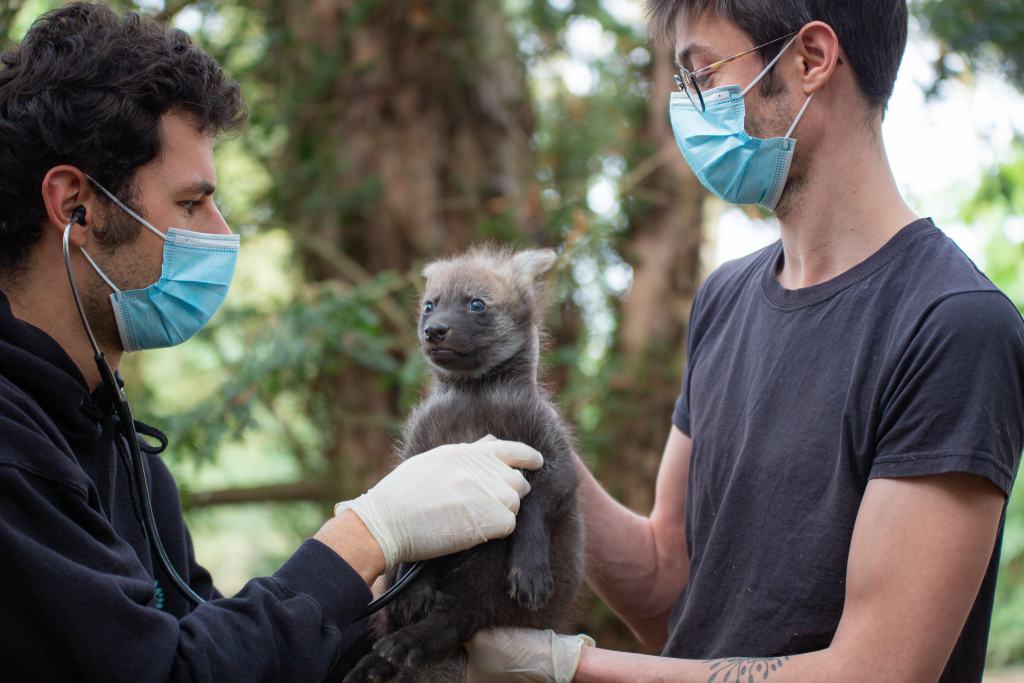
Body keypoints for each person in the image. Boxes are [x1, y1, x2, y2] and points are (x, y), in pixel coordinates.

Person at [465, 1, 1024, 682]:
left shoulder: (952, 326)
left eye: (704, 75)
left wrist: (560, 664)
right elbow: (669, 591)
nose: (690, 109)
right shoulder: (725, 299)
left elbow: (877, 671)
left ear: (811, 59)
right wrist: (513, 414)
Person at [0, 4, 544, 681]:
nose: (223, 233)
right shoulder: (14, 450)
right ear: (76, 206)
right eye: (192, 203)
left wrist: (431, 642)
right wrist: (367, 533)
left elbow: (233, 658)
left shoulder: (127, 464)